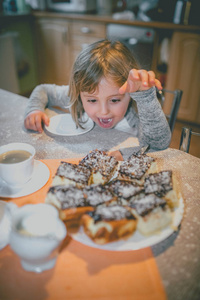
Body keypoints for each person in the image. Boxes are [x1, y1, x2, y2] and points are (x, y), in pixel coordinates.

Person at [24, 39, 171, 159]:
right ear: (79, 93)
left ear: (130, 93)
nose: (103, 112)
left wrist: (145, 97)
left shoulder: (136, 112)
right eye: (92, 100)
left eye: (114, 100)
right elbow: (43, 90)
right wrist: (34, 110)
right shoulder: (76, 97)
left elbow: (158, 146)